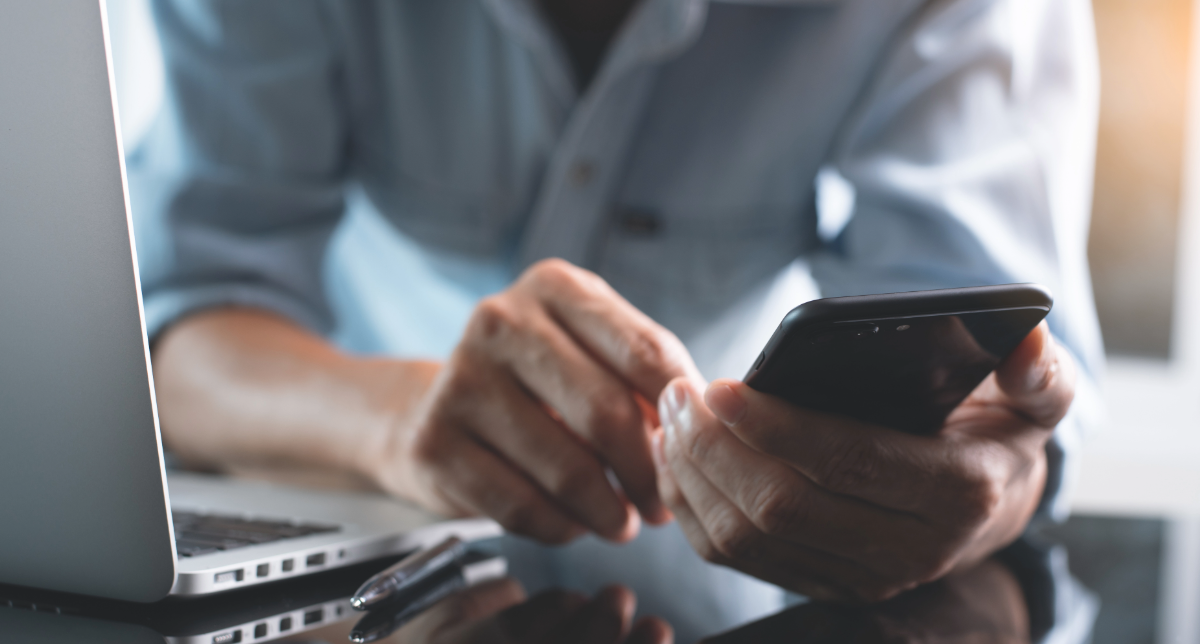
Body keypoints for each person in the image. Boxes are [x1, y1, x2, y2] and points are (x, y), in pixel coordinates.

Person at [129, 0, 1104, 639]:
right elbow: (177, 320)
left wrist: (1000, 473)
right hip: (363, 547)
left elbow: (998, 380)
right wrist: (395, 417)